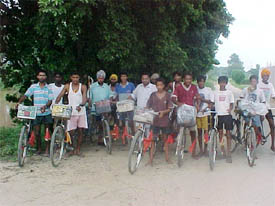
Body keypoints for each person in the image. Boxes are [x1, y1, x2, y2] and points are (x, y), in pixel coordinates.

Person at [16, 69, 54, 155]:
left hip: (46, 112)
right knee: (36, 132)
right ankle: (39, 148)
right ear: (37, 77)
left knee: (47, 132)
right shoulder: (33, 87)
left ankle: (47, 149)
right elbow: (26, 95)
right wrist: (19, 102)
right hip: (36, 113)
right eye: (40, 75)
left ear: (46, 77)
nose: (42, 77)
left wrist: (45, 106)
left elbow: (50, 100)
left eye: (43, 75)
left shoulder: (49, 87)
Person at [55, 71, 88, 155]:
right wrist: (55, 103)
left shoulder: (83, 87)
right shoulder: (67, 86)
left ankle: (78, 149)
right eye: (74, 77)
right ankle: (73, 148)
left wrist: (81, 104)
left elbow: (84, 98)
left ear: (79, 78)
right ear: (71, 78)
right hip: (71, 112)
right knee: (71, 132)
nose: (75, 79)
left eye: (77, 77)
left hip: (81, 112)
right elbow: (60, 96)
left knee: (80, 131)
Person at [172, 72, 200, 159]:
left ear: (192, 80)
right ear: (183, 79)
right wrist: (178, 103)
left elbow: (197, 97)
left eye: (190, 79)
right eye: (186, 79)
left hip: (191, 112)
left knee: (192, 132)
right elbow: (173, 98)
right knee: (179, 128)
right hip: (182, 111)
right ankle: (179, 145)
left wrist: (197, 104)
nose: (188, 80)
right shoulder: (179, 87)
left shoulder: (194, 87)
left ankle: (194, 152)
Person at [147, 78, 173, 165]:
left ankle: (167, 158)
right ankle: (150, 159)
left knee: (165, 140)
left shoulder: (168, 95)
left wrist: (163, 112)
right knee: (153, 140)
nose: (159, 87)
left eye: (161, 85)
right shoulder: (153, 95)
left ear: (164, 86)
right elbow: (148, 106)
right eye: (157, 85)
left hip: (164, 121)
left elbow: (170, 108)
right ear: (156, 86)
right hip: (155, 120)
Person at [214, 76, 234, 163]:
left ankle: (229, 152)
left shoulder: (229, 93)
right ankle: (223, 151)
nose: (222, 84)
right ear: (218, 83)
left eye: (224, 82)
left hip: (227, 115)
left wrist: (230, 109)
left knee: (228, 134)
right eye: (221, 82)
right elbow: (212, 102)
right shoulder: (215, 93)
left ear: (226, 83)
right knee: (220, 134)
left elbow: (232, 103)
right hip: (219, 115)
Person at [240, 75, 265, 144]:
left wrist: (262, 113)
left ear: (257, 82)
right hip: (247, 110)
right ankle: (245, 138)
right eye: (252, 81)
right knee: (247, 122)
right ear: (250, 82)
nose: (253, 83)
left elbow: (263, 102)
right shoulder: (245, 90)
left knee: (256, 125)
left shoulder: (260, 91)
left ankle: (258, 137)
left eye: (255, 81)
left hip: (256, 111)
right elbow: (241, 99)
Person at [90, 70, 113, 145]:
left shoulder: (106, 86)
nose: (101, 79)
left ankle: (103, 138)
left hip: (105, 107)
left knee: (104, 124)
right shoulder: (92, 86)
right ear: (97, 78)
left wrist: (110, 100)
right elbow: (89, 97)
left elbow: (110, 96)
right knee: (98, 124)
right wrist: (90, 103)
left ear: (104, 78)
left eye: (102, 78)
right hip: (95, 108)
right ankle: (97, 137)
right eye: (99, 78)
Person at [196, 75, 214, 157]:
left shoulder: (208, 90)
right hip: (197, 114)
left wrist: (202, 100)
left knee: (206, 132)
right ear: (197, 82)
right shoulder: (195, 89)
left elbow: (211, 102)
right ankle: (201, 149)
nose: (201, 83)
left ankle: (206, 149)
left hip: (206, 114)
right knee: (199, 132)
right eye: (199, 81)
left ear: (204, 82)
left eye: (202, 81)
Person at [258, 68, 275, 151]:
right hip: (259, 107)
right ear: (262, 76)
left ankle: (272, 145)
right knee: (258, 125)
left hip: (267, 108)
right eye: (264, 75)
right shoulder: (259, 85)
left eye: (267, 75)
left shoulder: (270, 85)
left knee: (272, 125)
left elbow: (273, 96)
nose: (266, 77)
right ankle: (255, 143)